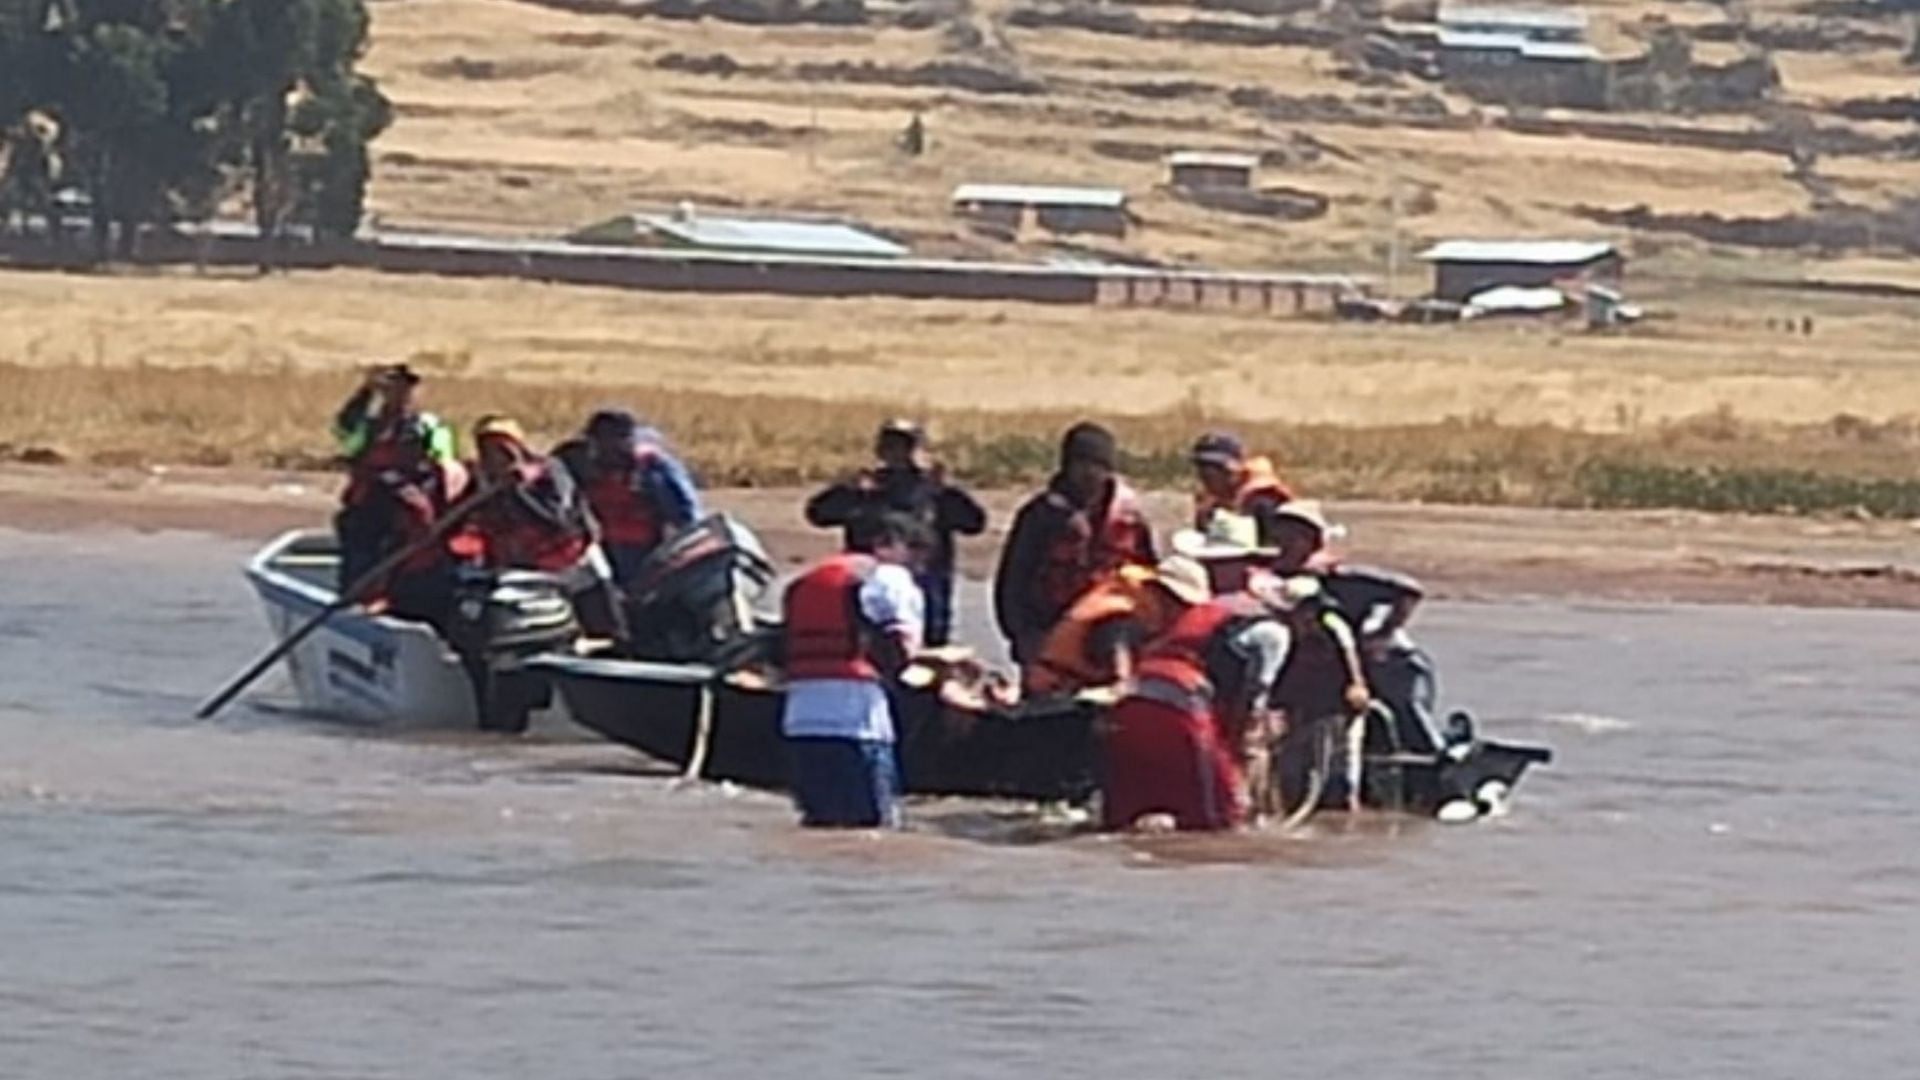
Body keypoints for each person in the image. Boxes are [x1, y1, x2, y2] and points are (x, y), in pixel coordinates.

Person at [1100, 575, 1299, 832]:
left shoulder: (1208, 615)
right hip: (1183, 702)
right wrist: (1242, 735)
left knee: (1130, 807)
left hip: (1132, 700)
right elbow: (1256, 689)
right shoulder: (1274, 633)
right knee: (1221, 816)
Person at [780, 512, 931, 829]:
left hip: (800, 722)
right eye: (914, 551)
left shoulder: (805, 580)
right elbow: (904, 647)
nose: (920, 564)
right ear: (885, 544)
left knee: (820, 826)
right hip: (856, 722)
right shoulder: (888, 577)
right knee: (872, 829)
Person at [1266, 500, 1444, 752]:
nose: (1285, 542)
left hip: (1385, 660)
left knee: (1408, 717)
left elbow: (1409, 590)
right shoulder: (1273, 575)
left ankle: (1438, 762)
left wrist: (1384, 631)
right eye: (1280, 534)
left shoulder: (1340, 577)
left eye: (1294, 536)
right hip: (1324, 663)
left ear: (1312, 540)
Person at [804, 419, 987, 647]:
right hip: (868, 597)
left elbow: (974, 524)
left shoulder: (934, 491)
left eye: (905, 447)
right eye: (891, 447)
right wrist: (845, 489)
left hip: (927, 599)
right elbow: (817, 515)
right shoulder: (866, 489)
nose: (898, 454)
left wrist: (949, 491)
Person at [993, 422, 1156, 666]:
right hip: (1048, 632)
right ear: (1066, 466)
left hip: (1112, 636)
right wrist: (1021, 635)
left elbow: (1150, 578)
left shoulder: (1130, 518)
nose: (1089, 472)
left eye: (1098, 465)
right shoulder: (1039, 516)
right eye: (1081, 463)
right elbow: (1013, 581)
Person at [467, 415, 624, 638]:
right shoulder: (480, 481)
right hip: (524, 568)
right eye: (487, 449)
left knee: (603, 623)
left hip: (571, 557)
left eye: (501, 448)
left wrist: (518, 491)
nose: (495, 457)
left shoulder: (548, 471)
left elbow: (557, 518)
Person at [331, 364, 456, 591]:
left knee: (409, 560)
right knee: (360, 553)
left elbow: (444, 460)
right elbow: (345, 433)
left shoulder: (428, 425)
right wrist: (365, 392)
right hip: (368, 506)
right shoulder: (368, 426)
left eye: (406, 388)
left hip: (410, 506)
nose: (400, 394)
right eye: (392, 387)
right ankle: (354, 595)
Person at [553, 408, 703, 588]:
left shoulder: (653, 468)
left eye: (616, 438)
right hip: (594, 552)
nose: (608, 446)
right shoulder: (574, 463)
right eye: (601, 439)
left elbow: (688, 518)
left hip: (647, 554)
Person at [1023, 555, 1211, 697]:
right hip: (1055, 693)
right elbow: (1118, 663)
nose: (1183, 613)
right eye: (1182, 605)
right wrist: (1127, 683)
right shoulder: (1121, 615)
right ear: (1160, 592)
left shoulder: (1137, 610)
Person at [1190, 432, 1295, 546]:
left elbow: (1274, 550)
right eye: (1202, 466)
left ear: (1234, 469)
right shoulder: (1209, 503)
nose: (1207, 474)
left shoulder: (1264, 503)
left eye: (1216, 467)